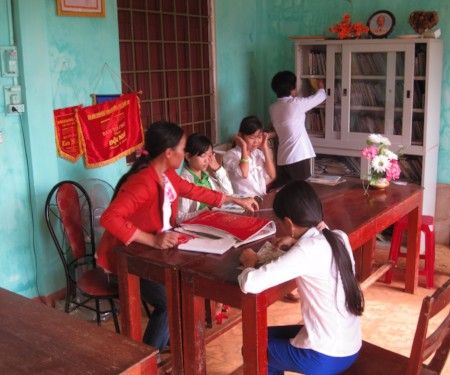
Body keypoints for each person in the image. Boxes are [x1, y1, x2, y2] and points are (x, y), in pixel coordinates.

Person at [96, 121, 258, 351]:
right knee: (170, 299)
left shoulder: (167, 175)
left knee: (183, 288)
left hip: (152, 253)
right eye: (182, 149)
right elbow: (109, 218)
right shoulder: (142, 182)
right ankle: (149, 358)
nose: (184, 154)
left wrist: (234, 200)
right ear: (169, 152)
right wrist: (152, 239)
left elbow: (195, 191)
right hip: (127, 258)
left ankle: (167, 341)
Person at [238, 181, 363, 375]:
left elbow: (250, 283)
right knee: (259, 336)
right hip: (349, 344)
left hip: (326, 355)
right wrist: (295, 239)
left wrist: (249, 261)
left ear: (288, 223)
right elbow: (318, 235)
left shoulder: (307, 251)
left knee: (255, 349)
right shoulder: (339, 237)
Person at [269, 70, 327, 188]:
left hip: (282, 158)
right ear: (292, 88)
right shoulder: (296, 104)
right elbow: (321, 96)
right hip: (298, 156)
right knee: (300, 191)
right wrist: (321, 86)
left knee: (286, 191)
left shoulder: (273, 108)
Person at [177, 133, 233, 223]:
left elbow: (229, 193)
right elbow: (180, 219)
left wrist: (218, 169)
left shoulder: (206, 177)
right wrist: (207, 209)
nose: (207, 160)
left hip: (212, 221)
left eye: (210, 155)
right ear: (188, 156)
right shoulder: (184, 181)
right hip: (196, 227)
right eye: (203, 155)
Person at [223, 115, 276, 197]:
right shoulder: (230, 155)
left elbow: (272, 175)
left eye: (259, 137)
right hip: (241, 202)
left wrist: (265, 148)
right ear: (240, 136)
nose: (256, 141)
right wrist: (244, 147)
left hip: (260, 198)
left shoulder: (257, 153)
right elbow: (243, 173)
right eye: (252, 137)